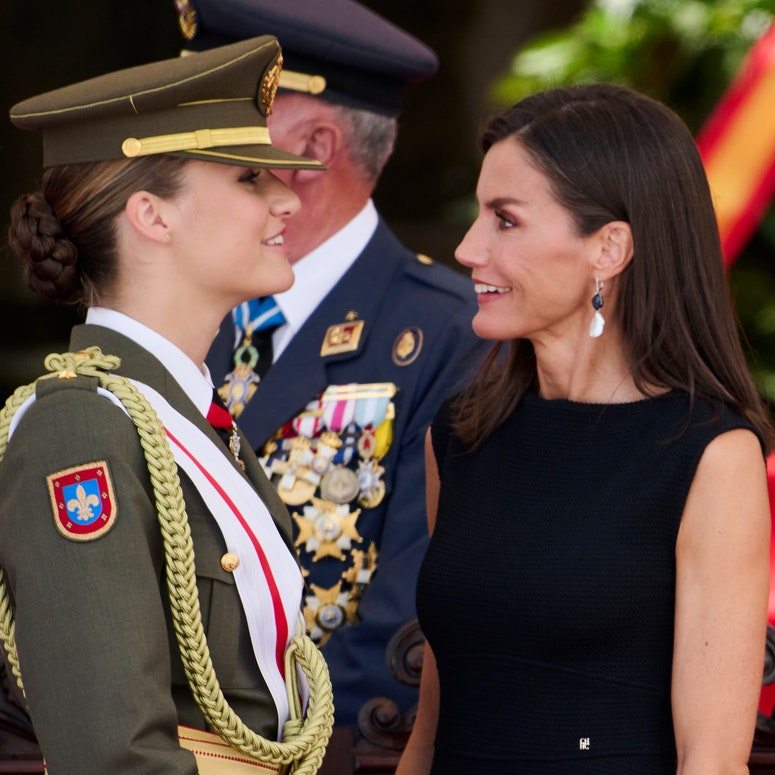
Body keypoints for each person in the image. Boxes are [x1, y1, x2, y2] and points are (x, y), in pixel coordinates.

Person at [397, 83, 774, 774]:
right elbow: (433, 724)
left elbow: (712, 760)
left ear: (608, 248)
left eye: (504, 220)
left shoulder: (710, 456)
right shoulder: (457, 436)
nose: (467, 247)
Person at [0, 36, 333, 773]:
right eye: (250, 178)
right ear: (152, 216)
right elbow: (111, 754)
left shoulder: (180, 414)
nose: (286, 199)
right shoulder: (79, 424)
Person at [175, 0, 487, 728]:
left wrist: (208, 739)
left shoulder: (449, 335)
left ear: (313, 147)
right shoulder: (187, 309)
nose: (182, 139)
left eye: (217, 116)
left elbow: (407, 634)